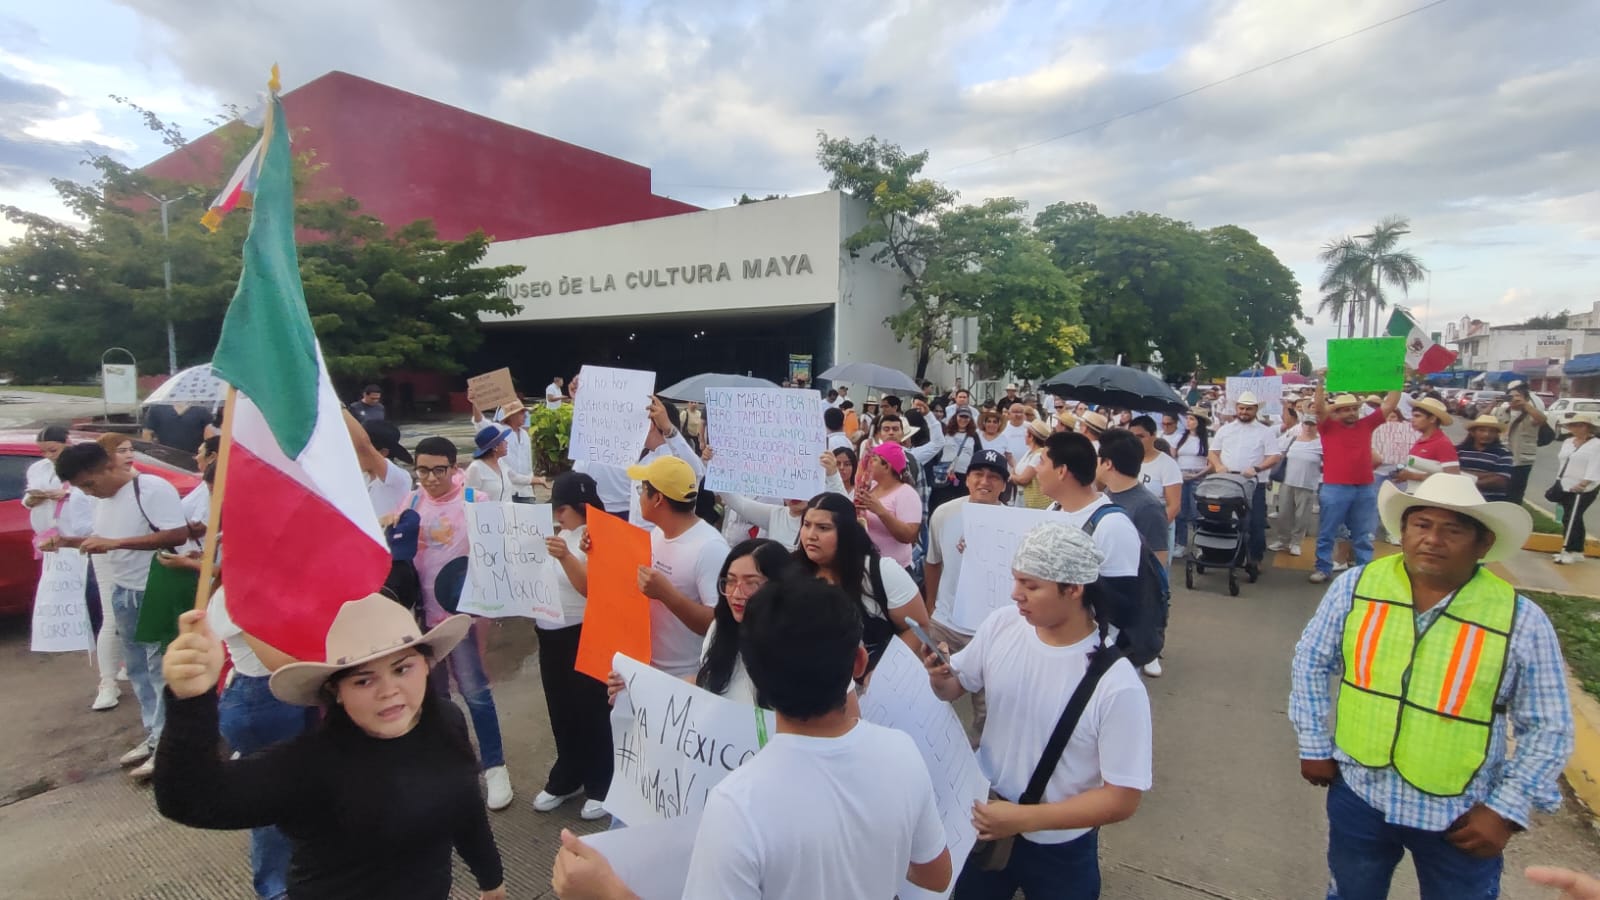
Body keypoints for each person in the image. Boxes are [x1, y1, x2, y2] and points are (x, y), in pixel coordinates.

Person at [554, 577, 952, 900]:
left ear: (756, 676)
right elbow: (937, 875)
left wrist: (607, 891)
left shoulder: (738, 803)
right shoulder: (902, 752)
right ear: (859, 663)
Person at [1290, 473, 1574, 899]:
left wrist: (1504, 809)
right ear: (1403, 532)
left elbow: (1549, 726)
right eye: (1421, 525)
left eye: (1452, 530)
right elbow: (1311, 662)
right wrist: (1313, 744)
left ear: (1483, 544)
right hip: (1360, 793)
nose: (1432, 540)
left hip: (1459, 812)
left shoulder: (1520, 619)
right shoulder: (1355, 587)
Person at [154, 595, 506, 899]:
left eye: (402, 669)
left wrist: (491, 878)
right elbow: (190, 799)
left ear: (427, 666)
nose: (389, 691)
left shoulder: (446, 720)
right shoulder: (309, 765)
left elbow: (465, 805)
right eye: (364, 680)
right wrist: (190, 699)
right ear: (336, 691)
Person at [925, 521, 1152, 899]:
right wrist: (939, 677)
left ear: (1074, 588)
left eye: (1031, 586)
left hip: (1061, 848)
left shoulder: (1117, 685)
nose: (1016, 594)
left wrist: (1024, 819)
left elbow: (1122, 797)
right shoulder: (1003, 625)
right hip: (985, 818)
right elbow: (955, 686)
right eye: (1016, 580)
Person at [387, 436, 514, 811]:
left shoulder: (476, 502)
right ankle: (449, 767)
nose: (430, 478)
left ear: (454, 468)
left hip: (462, 619)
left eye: (438, 470)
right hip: (421, 620)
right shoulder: (410, 502)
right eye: (422, 470)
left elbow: (500, 553)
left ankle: (495, 767)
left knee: (476, 693)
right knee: (434, 698)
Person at [53, 441, 189, 780]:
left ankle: (168, 746)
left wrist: (116, 544)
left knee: (160, 671)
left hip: (156, 589)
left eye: (90, 484)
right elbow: (108, 537)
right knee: (139, 670)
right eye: (82, 488)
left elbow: (177, 534)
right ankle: (154, 734)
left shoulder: (150, 488)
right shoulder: (103, 500)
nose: (89, 492)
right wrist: (69, 542)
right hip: (124, 590)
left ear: (110, 466)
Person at [207, 587, 311, 900]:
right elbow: (279, 659)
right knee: (274, 800)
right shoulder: (238, 592)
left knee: (303, 792)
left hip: (287, 691)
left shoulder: (278, 581)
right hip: (263, 699)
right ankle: (275, 888)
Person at [532, 473, 613, 821]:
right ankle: (570, 773)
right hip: (549, 635)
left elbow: (591, 588)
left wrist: (566, 557)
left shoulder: (597, 535)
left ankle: (601, 782)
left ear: (582, 506)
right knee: (561, 709)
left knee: (590, 711)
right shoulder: (561, 534)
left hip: (581, 633)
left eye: (562, 508)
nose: (557, 514)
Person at [26, 425, 118, 711]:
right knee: (94, 611)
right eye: (43, 452)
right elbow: (28, 500)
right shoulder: (38, 470)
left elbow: (90, 513)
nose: (48, 456)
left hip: (91, 545)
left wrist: (65, 496)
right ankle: (108, 678)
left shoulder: (88, 476)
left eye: (52, 450)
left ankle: (118, 669)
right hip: (62, 545)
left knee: (106, 611)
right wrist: (35, 498)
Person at [923, 449, 1012, 739]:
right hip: (945, 624)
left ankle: (981, 755)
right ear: (967, 478)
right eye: (978, 474)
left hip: (989, 631)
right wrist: (931, 607)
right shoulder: (944, 513)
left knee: (988, 709)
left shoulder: (1013, 524)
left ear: (1004, 485)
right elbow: (933, 562)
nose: (984, 482)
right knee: (930, 691)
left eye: (994, 477)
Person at [793, 492, 932, 667]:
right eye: (806, 525)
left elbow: (918, 627)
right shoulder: (791, 571)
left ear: (846, 533)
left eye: (823, 528)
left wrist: (884, 670)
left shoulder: (882, 572)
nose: (811, 535)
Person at [628, 455, 731, 677]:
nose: (639, 498)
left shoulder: (710, 548)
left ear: (658, 499)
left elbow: (720, 623)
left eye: (642, 490)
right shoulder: (658, 533)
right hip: (646, 666)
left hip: (685, 678)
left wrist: (667, 595)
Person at [1310, 389, 1399, 584]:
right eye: (1346, 410)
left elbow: (1390, 405)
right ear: (1336, 412)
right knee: (1328, 532)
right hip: (1335, 487)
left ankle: (1364, 571)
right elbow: (1319, 408)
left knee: (1363, 534)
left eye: (1354, 409)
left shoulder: (1366, 424)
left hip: (1364, 487)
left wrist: (1398, 380)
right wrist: (1321, 383)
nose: (1352, 413)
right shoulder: (1328, 426)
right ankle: (1323, 568)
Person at [694, 538, 795, 705]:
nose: (736, 594)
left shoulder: (801, 645)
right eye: (731, 581)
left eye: (752, 583)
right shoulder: (719, 628)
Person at [1036, 432, 1143, 580]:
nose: (1036, 469)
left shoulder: (1113, 526)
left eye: (1041, 462)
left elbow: (1122, 590)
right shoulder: (1053, 510)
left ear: (1062, 471)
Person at [1207, 391, 1281, 574]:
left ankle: (1255, 557)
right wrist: (1218, 466)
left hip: (1254, 483)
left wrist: (1257, 468)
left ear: (1255, 410)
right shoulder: (1225, 430)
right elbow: (1213, 452)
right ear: (1236, 408)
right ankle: (1230, 554)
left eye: (1248, 409)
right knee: (1229, 520)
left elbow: (1274, 456)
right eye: (1241, 408)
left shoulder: (1265, 432)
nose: (1244, 412)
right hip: (1229, 482)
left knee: (1255, 522)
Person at [711, 452, 848, 548]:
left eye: (802, 485)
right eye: (789, 485)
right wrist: (714, 464)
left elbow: (846, 514)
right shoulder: (775, 514)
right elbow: (739, 503)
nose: (795, 494)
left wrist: (833, 475)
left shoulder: (825, 519)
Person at [856, 441, 923, 569]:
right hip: (868, 565)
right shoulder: (871, 487)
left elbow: (909, 535)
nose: (870, 463)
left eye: (874, 460)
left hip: (895, 568)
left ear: (887, 467)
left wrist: (880, 511)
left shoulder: (906, 493)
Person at [1270, 416, 1323, 558]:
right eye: (1306, 424)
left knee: (1302, 515)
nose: (1309, 427)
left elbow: (1328, 462)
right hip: (1287, 482)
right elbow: (1279, 454)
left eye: (1312, 424)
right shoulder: (1292, 439)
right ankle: (1283, 540)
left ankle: (1296, 542)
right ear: (1302, 424)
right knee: (1283, 514)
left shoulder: (1321, 443)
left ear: (1317, 426)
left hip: (1307, 484)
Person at [1553, 411, 1600, 565]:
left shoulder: (1596, 444)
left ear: (1588, 427)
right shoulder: (1568, 442)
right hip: (1565, 484)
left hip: (1585, 488)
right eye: (1573, 425)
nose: (1576, 428)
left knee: (1572, 516)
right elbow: (1563, 461)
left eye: (1580, 425)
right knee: (1572, 516)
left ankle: (1569, 550)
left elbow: (1596, 464)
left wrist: (1584, 483)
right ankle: (1578, 550)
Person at [469, 399, 538, 503]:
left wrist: (532, 482)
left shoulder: (525, 435)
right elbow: (479, 421)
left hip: (525, 491)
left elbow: (527, 463)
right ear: (512, 415)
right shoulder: (498, 431)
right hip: (506, 491)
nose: (525, 416)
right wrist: (475, 401)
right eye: (521, 413)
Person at [1129, 416, 1182, 549]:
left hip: (1156, 530)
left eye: (1141, 436)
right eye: (1132, 436)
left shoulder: (1167, 464)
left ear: (1153, 435)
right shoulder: (1125, 460)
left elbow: (1174, 505)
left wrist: (1155, 529)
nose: (1135, 441)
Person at [350, 417, 414, 518]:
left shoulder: (398, 477)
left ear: (383, 452)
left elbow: (364, 445)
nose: (353, 455)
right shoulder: (360, 476)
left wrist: (341, 409)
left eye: (358, 452)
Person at [1392, 396, 1461, 490]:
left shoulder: (1443, 443)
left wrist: (1415, 476)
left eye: (1417, 416)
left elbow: (1453, 478)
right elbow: (1413, 464)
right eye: (1413, 416)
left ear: (1432, 419)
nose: (1412, 419)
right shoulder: (1420, 439)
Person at [1497, 383, 1550, 505]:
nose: (1514, 399)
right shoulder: (1501, 411)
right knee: (1499, 491)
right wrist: (1493, 404)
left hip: (1521, 460)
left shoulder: (1531, 413)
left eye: (1518, 396)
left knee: (1515, 494)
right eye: (1511, 396)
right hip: (1501, 457)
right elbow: (1480, 418)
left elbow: (1542, 419)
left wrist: (1525, 405)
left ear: (1526, 398)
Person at [464, 423, 544, 502]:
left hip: (508, 509)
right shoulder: (476, 468)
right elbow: (468, 495)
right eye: (503, 440)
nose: (506, 442)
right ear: (495, 447)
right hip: (487, 510)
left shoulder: (501, 463)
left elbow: (514, 477)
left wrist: (539, 480)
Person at [1172, 409, 1211, 558]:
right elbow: (1173, 457)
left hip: (1198, 477)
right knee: (1180, 512)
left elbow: (1211, 463)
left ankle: (1199, 545)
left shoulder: (1206, 441)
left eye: (1192, 419)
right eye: (1187, 419)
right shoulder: (1179, 438)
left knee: (1197, 513)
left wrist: (1197, 475)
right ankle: (1181, 543)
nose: (1188, 422)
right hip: (1181, 476)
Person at [1455, 415, 1514, 503]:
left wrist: (1469, 482)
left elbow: (1501, 481)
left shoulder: (1504, 453)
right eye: (1482, 430)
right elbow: (1452, 472)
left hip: (1488, 501)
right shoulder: (1459, 450)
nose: (1487, 434)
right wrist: (1489, 475)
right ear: (1473, 432)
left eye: (1492, 431)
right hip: (1459, 497)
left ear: (1496, 434)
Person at [933, 406, 980, 510]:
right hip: (944, 473)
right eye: (961, 416)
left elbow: (978, 454)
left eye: (966, 417)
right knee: (942, 503)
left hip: (963, 475)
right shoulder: (946, 431)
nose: (963, 419)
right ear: (956, 417)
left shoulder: (974, 435)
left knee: (960, 503)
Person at [1011, 419, 1053, 510]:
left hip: (1034, 501)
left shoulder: (1039, 455)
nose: (1025, 435)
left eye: (1027, 433)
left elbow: (1023, 479)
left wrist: (1011, 476)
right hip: (1021, 496)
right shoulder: (1030, 452)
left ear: (1031, 436)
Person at [143, 401, 213, 453]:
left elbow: (209, 438)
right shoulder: (157, 408)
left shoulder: (202, 410)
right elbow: (147, 433)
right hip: (164, 457)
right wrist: (151, 452)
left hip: (193, 458)